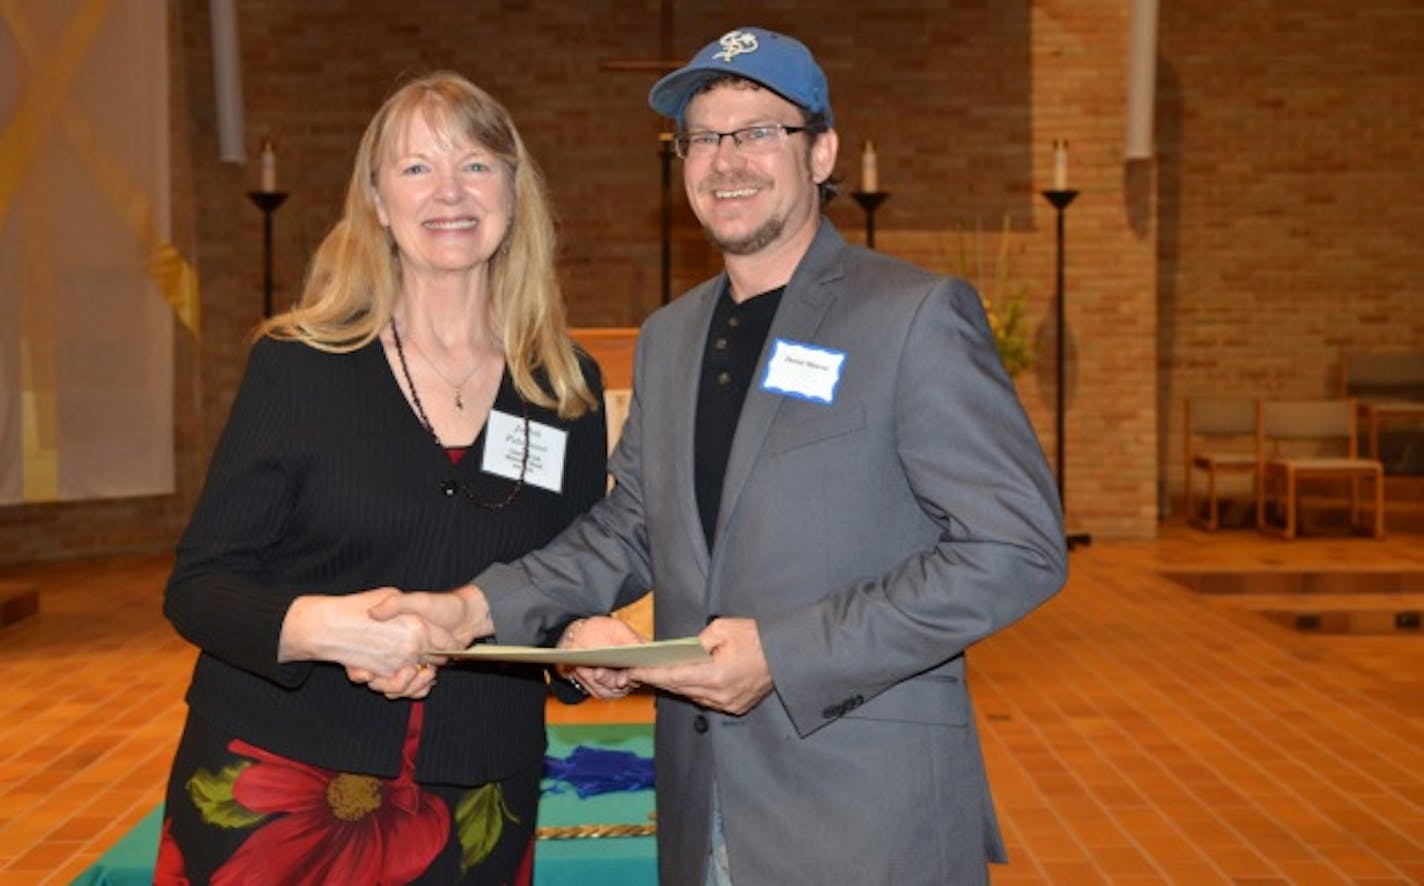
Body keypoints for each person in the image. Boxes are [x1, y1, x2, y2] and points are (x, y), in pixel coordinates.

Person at [382, 27, 1067, 885]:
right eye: (703, 138)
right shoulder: (671, 338)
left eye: (757, 132)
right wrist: (475, 610)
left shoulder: (912, 317)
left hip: (865, 816)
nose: (725, 160)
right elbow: (627, 530)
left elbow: (1016, 550)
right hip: (702, 807)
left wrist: (785, 652)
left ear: (821, 152)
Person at [158, 71, 608, 884]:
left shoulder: (563, 387)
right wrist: (329, 629)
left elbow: (560, 591)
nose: (450, 192)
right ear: (375, 199)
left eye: (476, 164)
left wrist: (583, 651)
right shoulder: (299, 365)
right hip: (279, 774)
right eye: (416, 168)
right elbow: (199, 585)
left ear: (514, 188)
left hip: (475, 789)